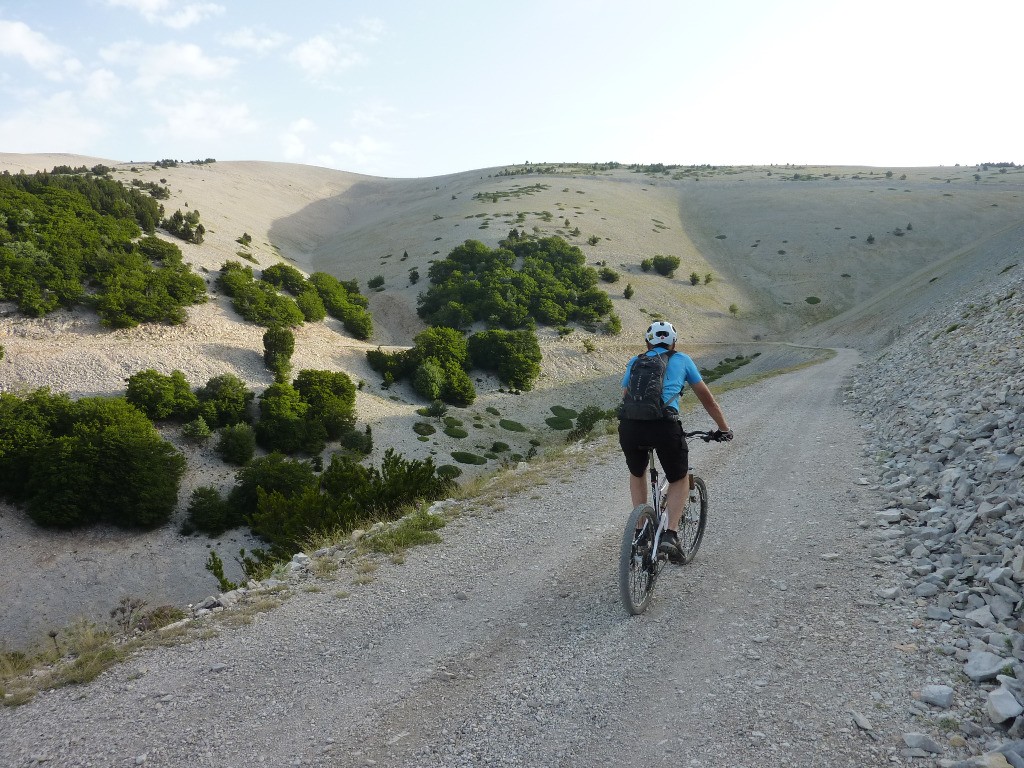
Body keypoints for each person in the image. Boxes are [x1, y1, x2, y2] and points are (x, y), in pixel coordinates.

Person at [618, 321, 733, 563]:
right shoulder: (682, 360)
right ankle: (670, 534)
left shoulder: (635, 361)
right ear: (674, 342)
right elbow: (709, 401)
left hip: (630, 427)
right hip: (664, 426)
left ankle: (640, 530)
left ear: (648, 342)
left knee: (637, 472)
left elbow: (626, 397)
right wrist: (723, 428)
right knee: (678, 477)